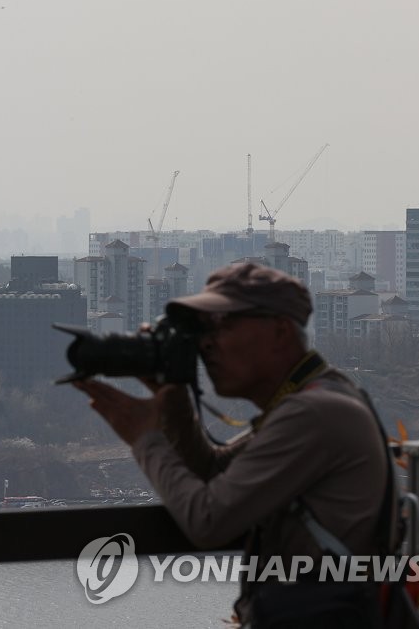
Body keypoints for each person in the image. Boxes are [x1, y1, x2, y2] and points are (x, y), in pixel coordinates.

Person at [73, 263, 390, 628]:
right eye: (204, 330)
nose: (207, 343)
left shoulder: (315, 414)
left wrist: (145, 439)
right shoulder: (318, 396)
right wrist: (172, 399)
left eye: (222, 325)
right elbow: (216, 474)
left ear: (279, 332)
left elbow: (208, 520)